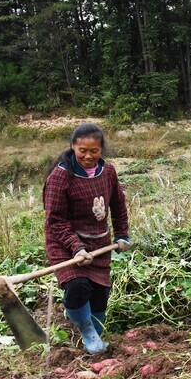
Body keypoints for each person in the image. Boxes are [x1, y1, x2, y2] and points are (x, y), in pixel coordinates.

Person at [43, 123, 131, 354]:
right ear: (73, 147)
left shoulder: (108, 171)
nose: (88, 156)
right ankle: (86, 331)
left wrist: (122, 233)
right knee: (78, 286)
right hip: (64, 241)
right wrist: (77, 248)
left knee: (99, 295)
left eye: (94, 151)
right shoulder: (61, 177)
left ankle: (90, 327)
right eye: (82, 150)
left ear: (101, 149)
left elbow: (118, 204)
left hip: (99, 241)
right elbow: (55, 220)